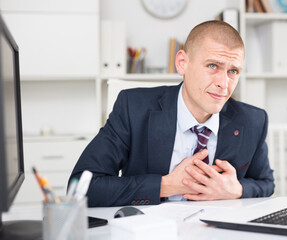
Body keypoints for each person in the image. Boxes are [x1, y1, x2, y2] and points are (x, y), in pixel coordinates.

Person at [69, 20, 274, 207]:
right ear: (182, 63)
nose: (224, 84)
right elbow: (81, 187)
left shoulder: (253, 121)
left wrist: (237, 190)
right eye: (213, 66)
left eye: (233, 71)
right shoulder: (133, 107)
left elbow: (266, 183)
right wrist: (166, 185)